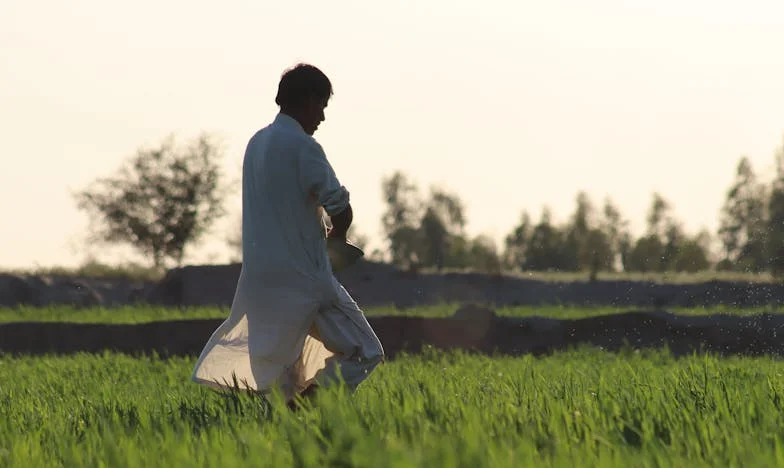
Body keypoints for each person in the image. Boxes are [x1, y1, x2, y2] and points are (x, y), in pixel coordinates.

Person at [190, 63, 384, 407]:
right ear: (308, 100)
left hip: (261, 279)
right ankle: (302, 410)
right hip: (305, 277)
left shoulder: (256, 144)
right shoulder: (303, 146)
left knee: (287, 366)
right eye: (321, 106)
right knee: (365, 351)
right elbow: (339, 206)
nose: (322, 117)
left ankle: (285, 417)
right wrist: (337, 239)